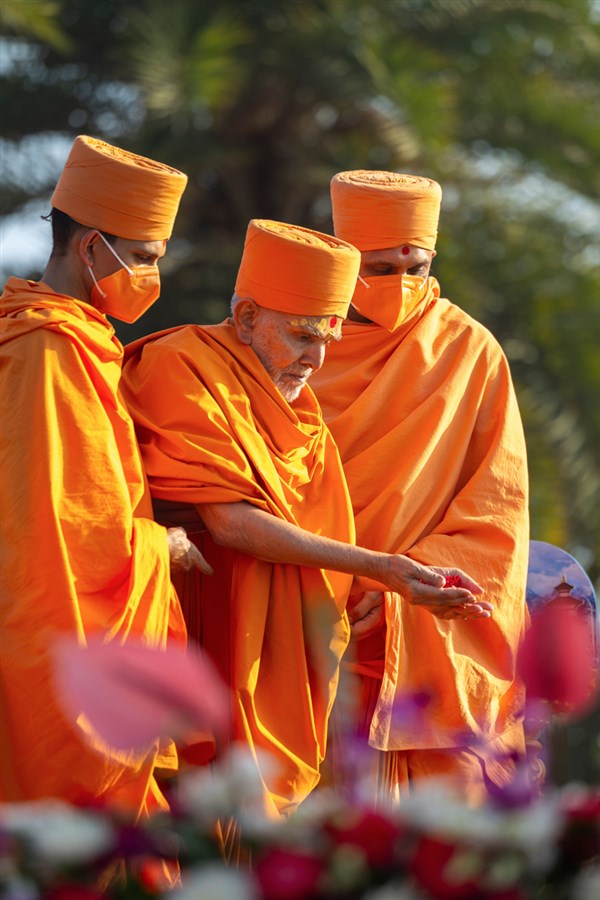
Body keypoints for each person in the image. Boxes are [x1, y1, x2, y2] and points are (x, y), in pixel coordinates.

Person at [120, 219, 489, 820]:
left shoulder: (301, 408)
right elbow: (235, 524)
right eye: (300, 336)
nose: (315, 360)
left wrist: (390, 585)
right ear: (243, 318)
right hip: (189, 632)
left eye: (328, 339)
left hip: (267, 650)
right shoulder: (179, 364)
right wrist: (383, 568)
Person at [0, 135, 209, 820]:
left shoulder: (52, 334)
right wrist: (164, 548)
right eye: (144, 258)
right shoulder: (50, 349)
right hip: (52, 647)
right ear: (91, 248)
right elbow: (67, 534)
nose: (151, 276)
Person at [310, 170, 530, 806]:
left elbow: (497, 513)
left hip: (414, 629)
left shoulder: (471, 351)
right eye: (380, 268)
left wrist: (407, 584)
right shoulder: (294, 341)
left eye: (418, 265)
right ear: (342, 256)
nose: (400, 285)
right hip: (300, 622)